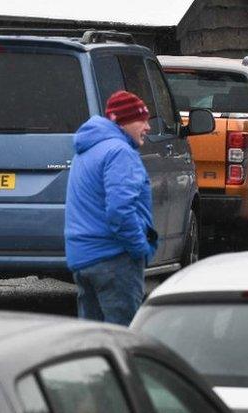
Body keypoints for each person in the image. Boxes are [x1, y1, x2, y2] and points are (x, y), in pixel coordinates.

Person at [64, 91, 157, 325]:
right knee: (122, 339)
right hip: (114, 258)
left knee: (92, 341)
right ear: (123, 122)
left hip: (84, 257)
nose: (147, 127)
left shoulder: (87, 149)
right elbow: (120, 211)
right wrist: (139, 248)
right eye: (142, 120)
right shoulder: (120, 152)